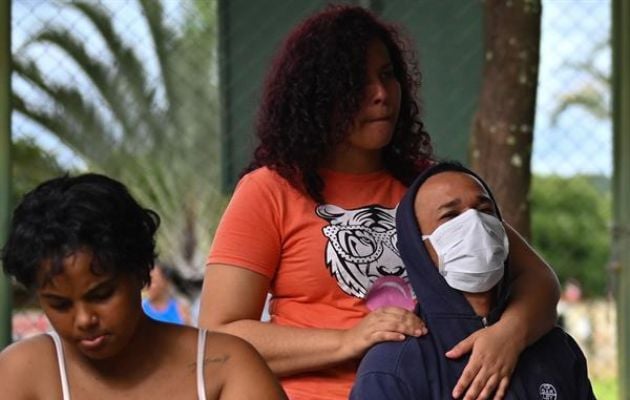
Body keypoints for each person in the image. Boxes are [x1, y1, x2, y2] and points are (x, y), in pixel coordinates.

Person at [198, 5, 560, 400]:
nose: (382, 95)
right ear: (317, 94)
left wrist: (507, 335)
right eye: (357, 82)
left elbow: (539, 280)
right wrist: (346, 341)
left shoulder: (429, 187)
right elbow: (219, 336)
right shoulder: (269, 189)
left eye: (388, 75)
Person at [0, 174, 287, 400]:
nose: (85, 319)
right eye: (60, 304)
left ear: (139, 272)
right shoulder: (22, 373)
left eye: (101, 295)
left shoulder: (224, 366)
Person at [350, 162, 596, 399]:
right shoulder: (394, 368)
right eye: (450, 215)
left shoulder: (556, 349)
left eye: (485, 210)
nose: (474, 223)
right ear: (418, 247)